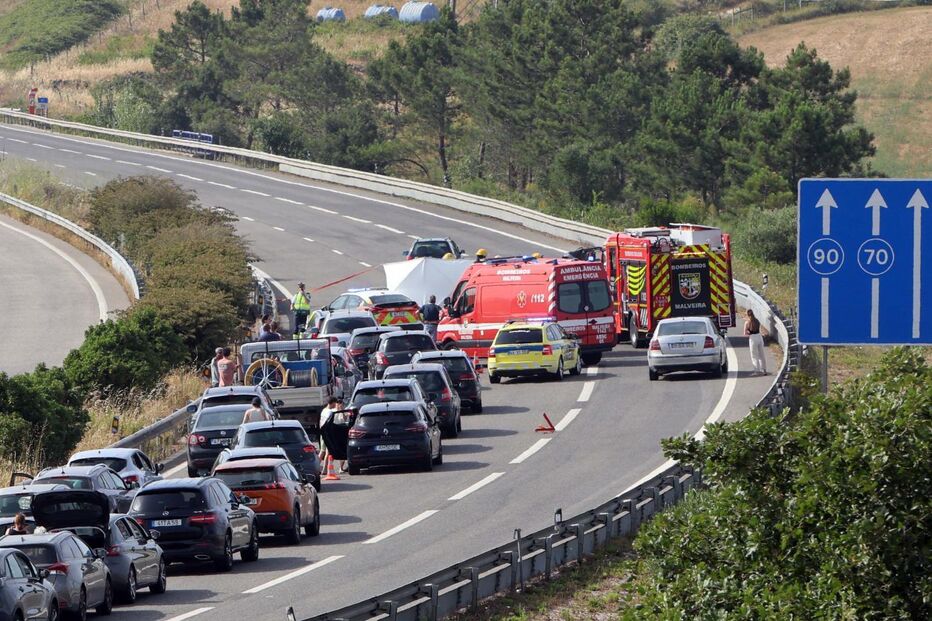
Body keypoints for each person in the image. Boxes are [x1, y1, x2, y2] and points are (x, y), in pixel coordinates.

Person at [319, 397, 346, 472]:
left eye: (340, 403)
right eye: (337, 403)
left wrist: (341, 410)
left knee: (324, 452)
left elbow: (345, 419)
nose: (338, 405)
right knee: (326, 452)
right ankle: (323, 469)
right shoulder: (331, 412)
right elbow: (329, 423)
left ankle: (322, 469)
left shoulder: (325, 410)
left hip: (325, 432)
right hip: (328, 433)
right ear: (334, 403)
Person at [744, 309, 767, 376]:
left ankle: (757, 371)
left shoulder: (747, 323)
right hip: (759, 337)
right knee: (761, 354)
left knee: (754, 355)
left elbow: (745, 333)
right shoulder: (757, 321)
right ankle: (764, 370)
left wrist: (749, 333)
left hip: (753, 338)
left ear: (747, 315)